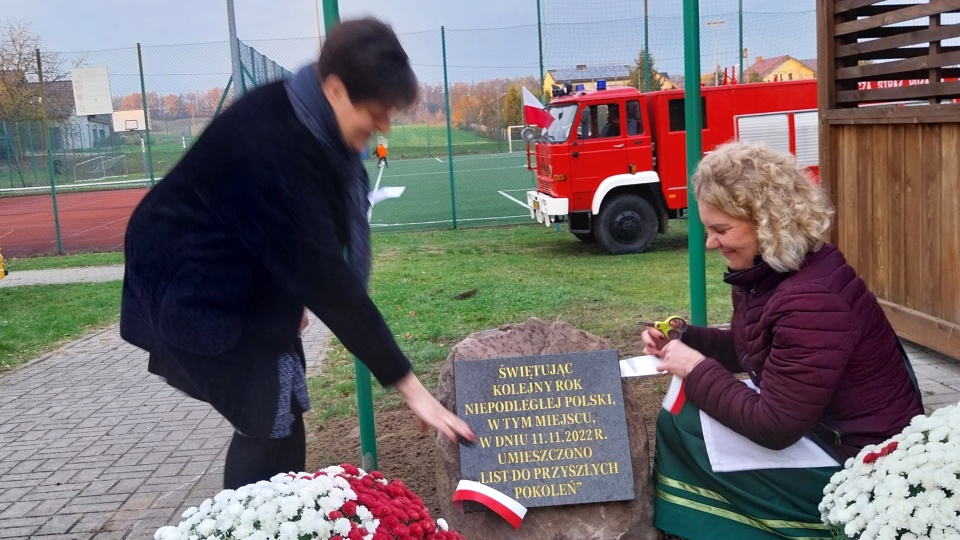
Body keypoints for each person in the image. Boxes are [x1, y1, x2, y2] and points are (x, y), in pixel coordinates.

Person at [119, 17, 474, 490]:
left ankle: (282, 516)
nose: (384, 124)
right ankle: (249, 522)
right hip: (189, 287)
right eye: (376, 109)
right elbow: (328, 278)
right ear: (334, 91)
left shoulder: (311, 125)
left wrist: (293, 296)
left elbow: (308, 245)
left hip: (240, 270)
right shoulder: (274, 146)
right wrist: (412, 389)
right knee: (266, 418)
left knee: (282, 410)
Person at [643, 142, 923, 539]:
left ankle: (778, 525)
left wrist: (695, 367)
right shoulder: (774, 270)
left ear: (767, 223)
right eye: (708, 229)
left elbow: (775, 427)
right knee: (683, 413)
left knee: (686, 422)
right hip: (829, 432)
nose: (710, 243)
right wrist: (683, 338)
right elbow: (749, 347)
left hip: (864, 461)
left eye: (721, 230)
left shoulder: (810, 299)